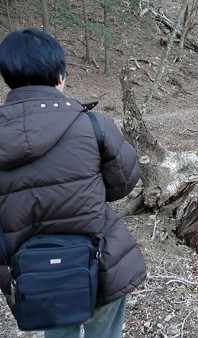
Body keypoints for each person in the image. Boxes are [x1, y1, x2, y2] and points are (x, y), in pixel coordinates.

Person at [0, 28, 146, 338]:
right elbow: (125, 181)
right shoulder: (94, 126)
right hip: (101, 261)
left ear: (7, 78)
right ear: (60, 77)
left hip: (36, 275)